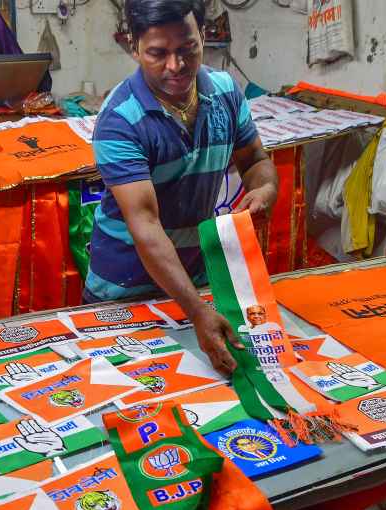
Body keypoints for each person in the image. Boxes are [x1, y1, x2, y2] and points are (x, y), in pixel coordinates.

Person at [87, 0, 279, 376]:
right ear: (133, 47)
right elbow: (145, 226)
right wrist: (196, 312)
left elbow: (255, 160)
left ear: (203, 37)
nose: (175, 67)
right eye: (157, 53)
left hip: (197, 279)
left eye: (187, 49)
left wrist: (265, 188)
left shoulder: (225, 92)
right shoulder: (119, 119)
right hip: (127, 291)